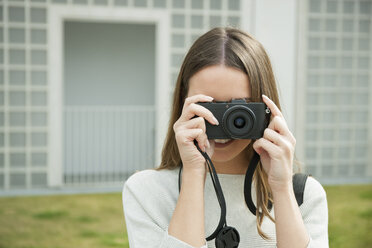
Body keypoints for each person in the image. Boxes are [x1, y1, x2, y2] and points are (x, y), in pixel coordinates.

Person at [122, 27, 328, 248]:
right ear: (184, 103)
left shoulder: (304, 196)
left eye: (239, 109)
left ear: (266, 108)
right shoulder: (148, 192)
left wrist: (281, 188)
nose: (219, 122)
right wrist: (193, 174)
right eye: (207, 107)